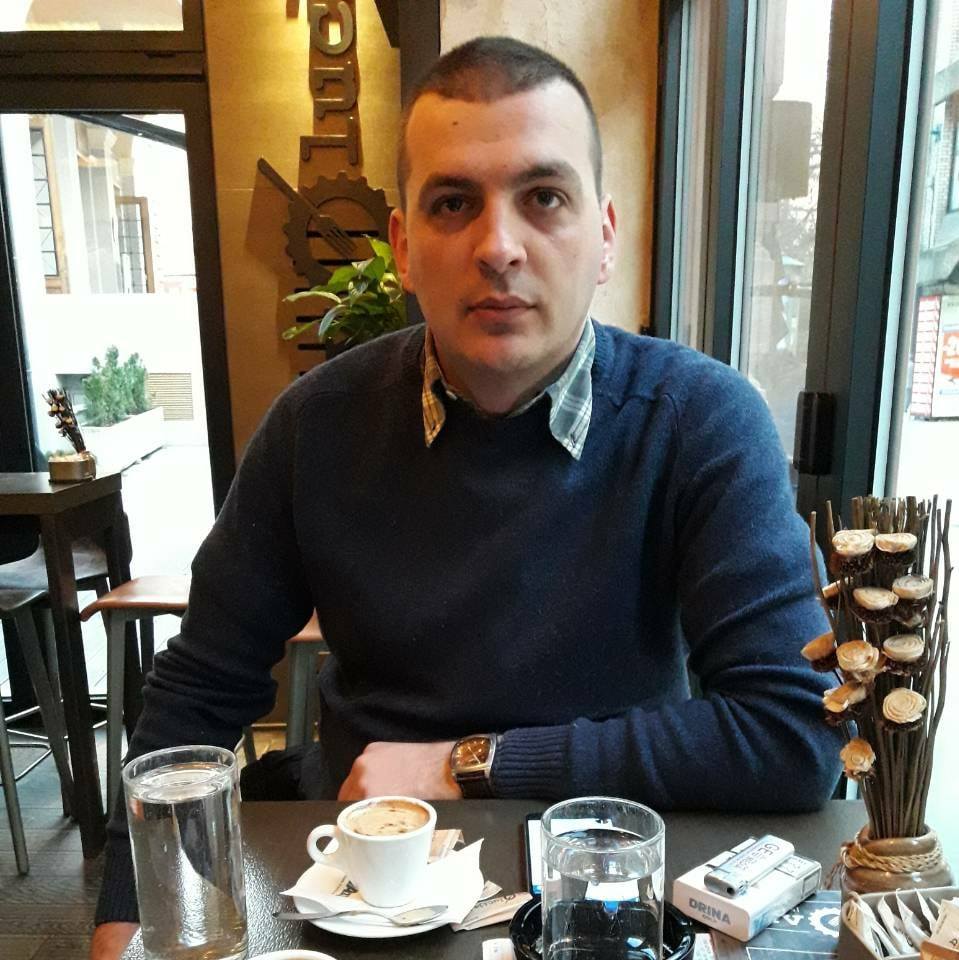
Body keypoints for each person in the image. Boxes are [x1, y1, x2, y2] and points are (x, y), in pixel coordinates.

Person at [91, 36, 842, 959]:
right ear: (404, 248)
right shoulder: (316, 426)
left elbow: (792, 732)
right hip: (360, 890)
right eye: (453, 204)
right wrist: (125, 923)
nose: (498, 247)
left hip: (609, 890)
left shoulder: (699, 421)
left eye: (544, 197)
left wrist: (466, 764)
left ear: (603, 236)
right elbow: (198, 696)